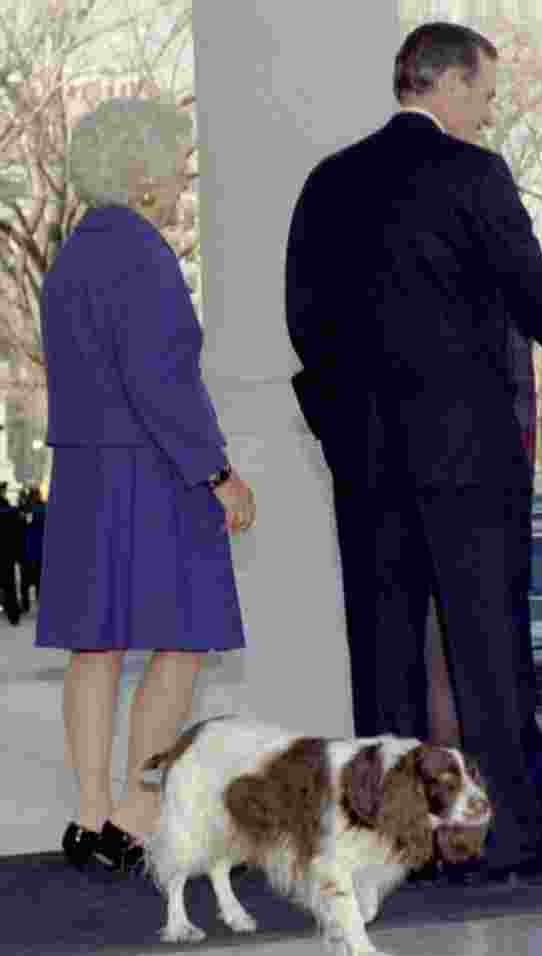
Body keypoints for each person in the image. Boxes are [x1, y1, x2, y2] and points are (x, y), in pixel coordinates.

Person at [285, 21, 542, 887]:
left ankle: (391, 844)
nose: (489, 115)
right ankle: (520, 837)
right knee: (491, 655)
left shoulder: (328, 184)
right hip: (468, 462)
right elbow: (539, 291)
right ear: (449, 85)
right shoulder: (471, 174)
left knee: (383, 654)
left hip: (368, 464)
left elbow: (303, 321)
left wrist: (345, 431)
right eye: (486, 96)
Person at [36, 97, 256, 875]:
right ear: (140, 170)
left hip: (85, 470)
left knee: (93, 646)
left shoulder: (72, 256)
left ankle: (90, 813)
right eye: (173, 157)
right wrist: (220, 473)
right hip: (153, 471)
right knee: (184, 639)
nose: (182, 170)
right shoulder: (140, 252)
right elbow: (161, 380)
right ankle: (136, 812)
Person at [19, 484, 46, 613]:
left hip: (29, 551)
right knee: (39, 582)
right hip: (39, 551)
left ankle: (25, 605)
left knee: (26, 582)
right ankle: (41, 605)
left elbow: (22, 523)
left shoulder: (27, 509)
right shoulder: (44, 508)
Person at [0, 484, 23, 625]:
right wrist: (17, 554)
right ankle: (13, 615)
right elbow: (17, 533)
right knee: (9, 586)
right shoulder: (10, 512)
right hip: (7, 554)